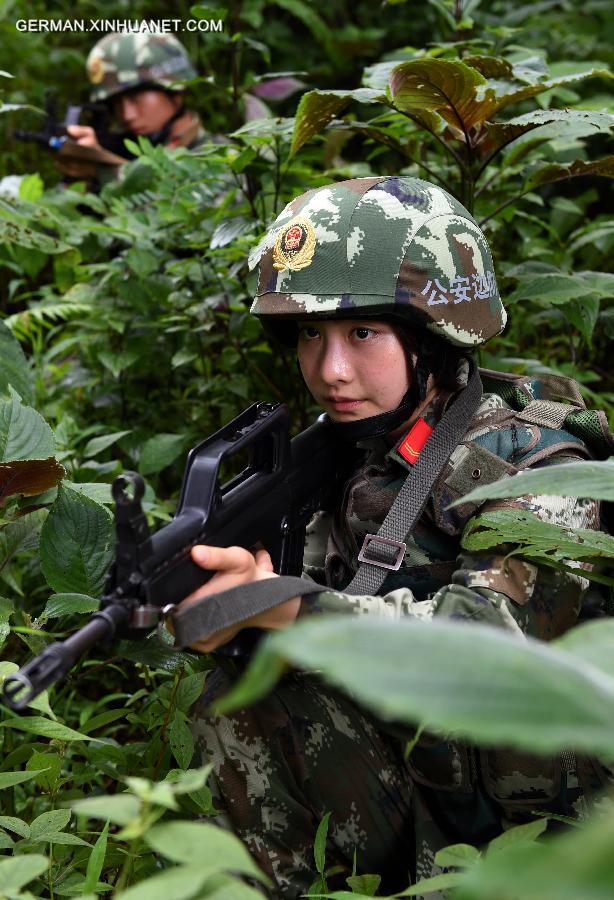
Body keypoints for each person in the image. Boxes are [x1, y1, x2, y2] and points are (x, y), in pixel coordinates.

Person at [175, 176, 609, 897]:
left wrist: (295, 610)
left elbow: (491, 642)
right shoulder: (348, 454)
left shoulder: (537, 462)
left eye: (363, 333)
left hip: (552, 825)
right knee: (238, 693)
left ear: (438, 337)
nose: (330, 370)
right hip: (423, 774)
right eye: (310, 334)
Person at [57, 32, 204, 184]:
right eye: (116, 103)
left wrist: (102, 170)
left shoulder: (217, 157)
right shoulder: (123, 150)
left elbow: (177, 197)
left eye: (136, 98)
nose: (127, 115)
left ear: (176, 90)